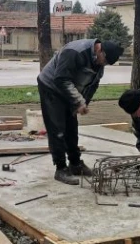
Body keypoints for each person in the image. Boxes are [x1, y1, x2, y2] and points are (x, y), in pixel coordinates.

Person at [37, 39, 124, 185]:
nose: (104, 64)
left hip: (68, 90)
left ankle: (75, 164)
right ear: (100, 50)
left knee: (72, 127)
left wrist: (83, 103)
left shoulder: (99, 64)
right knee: (57, 128)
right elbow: (61, 79)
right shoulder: (74, 52)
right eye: (105, 61)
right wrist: (78, 101)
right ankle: (60, 168)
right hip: (51, 87)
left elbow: (92, 86)